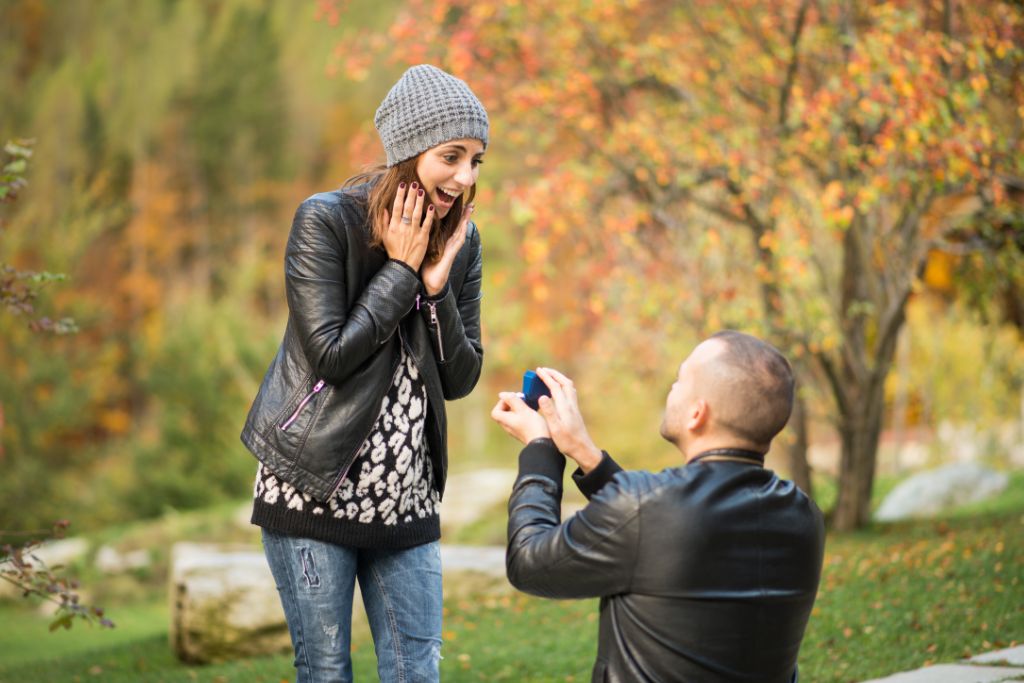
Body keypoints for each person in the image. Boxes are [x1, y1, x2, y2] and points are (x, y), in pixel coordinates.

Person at [240, 64, 488, 683]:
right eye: (451, 156)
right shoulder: (326, 222)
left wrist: (433, 294)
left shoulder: (462, 241)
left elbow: (461, 378)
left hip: (406, 502)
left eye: (477, 160)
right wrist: (401, 275)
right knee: (326, 671)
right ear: (408, 151)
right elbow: (331, 356)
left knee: (416, 672)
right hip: (312, 487)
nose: (464, 177)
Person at [490, 331, 825, 683]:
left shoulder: (645, 508)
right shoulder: (804, 517)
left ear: (697, 413)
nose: (672, 388)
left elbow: (528, 562)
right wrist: (584, 452)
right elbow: (664, 527)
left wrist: (540, 448)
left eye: (680, 381)